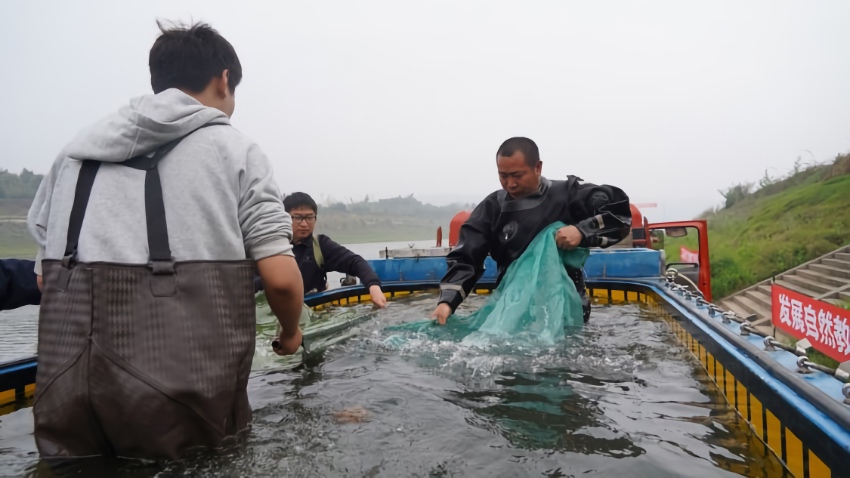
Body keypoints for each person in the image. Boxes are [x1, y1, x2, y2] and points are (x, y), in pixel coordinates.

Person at [26, 21, 304, 460]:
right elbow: (282, 280)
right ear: (224, 80)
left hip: (64, 393)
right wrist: (290, 332)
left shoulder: (73, 154)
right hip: (185, 401)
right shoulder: (236, 150)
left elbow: (45, 277)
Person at [430, 137, 632, 325]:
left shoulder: (568, 196)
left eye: (517, 175)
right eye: (503, 176)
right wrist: (447, 302)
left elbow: (620, 215)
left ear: (537, 167)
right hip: (511, 309)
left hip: (565, 309)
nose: (510, 184)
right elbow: (466, 258)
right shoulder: (493, 208)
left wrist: (582, 231)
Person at [256, 192, 387, 308]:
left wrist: (373, 286)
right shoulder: (267, 248)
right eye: (297, 217)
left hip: (313, 311)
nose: (304, 223)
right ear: (283, 218)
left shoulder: (320, 246)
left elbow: (355, 262)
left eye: (309, 217)